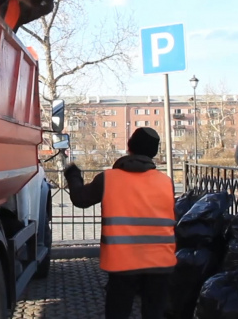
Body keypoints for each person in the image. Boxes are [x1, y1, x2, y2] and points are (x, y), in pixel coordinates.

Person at [63, 127, 176, 319]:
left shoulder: (108, 179)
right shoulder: (166, 182)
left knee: (118, 313)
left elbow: (80, 199)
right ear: (154, 153)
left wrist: (73, 175)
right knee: (155, 313)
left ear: (129, 147)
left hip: (123, 263)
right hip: (161, 262)